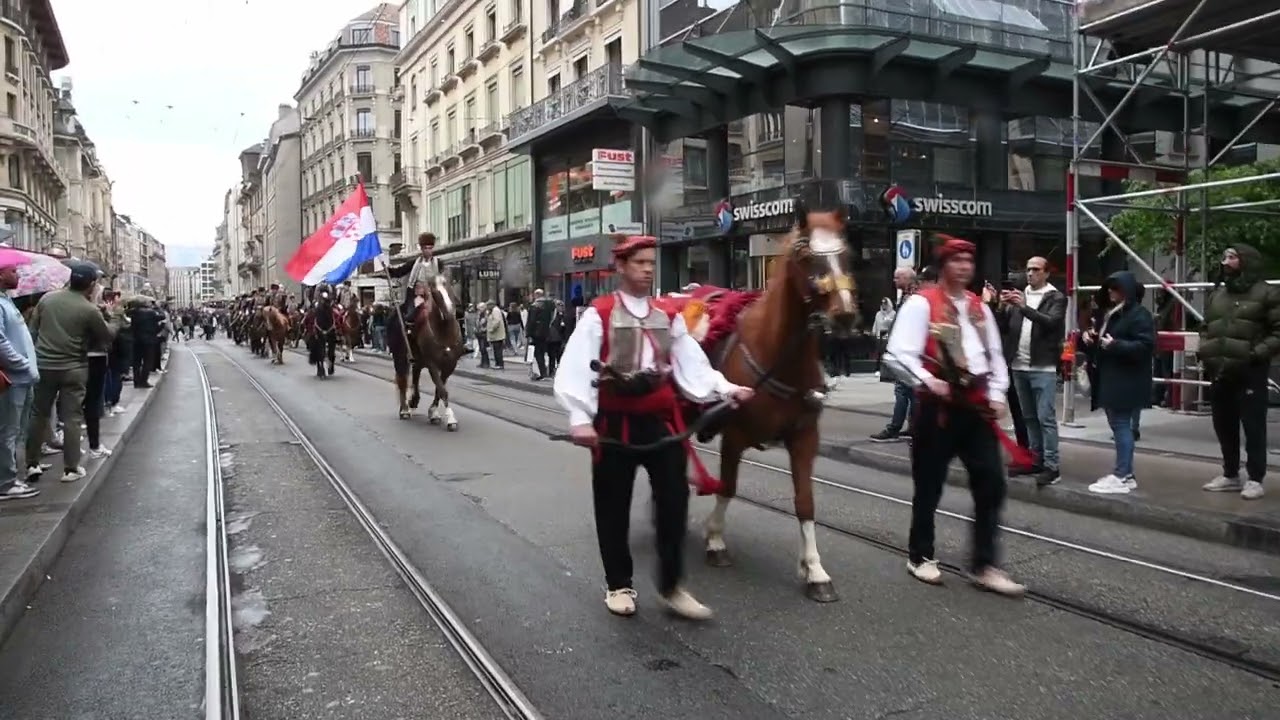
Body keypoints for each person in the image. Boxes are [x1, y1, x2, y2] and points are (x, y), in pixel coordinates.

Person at [553, 234, 755, 620]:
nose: (647, 269)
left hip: (662, 423)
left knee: (674, 501)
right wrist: (580, 418)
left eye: (651, 262)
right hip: (615, 424)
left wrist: (727, 388)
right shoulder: (600, 314)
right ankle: (619, 584)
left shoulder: (667, 315)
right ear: (621, 266)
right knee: (613, 505)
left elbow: (692, 362)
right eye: (639, 262)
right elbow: (576, 366)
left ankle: (672, 586)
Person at [882, 236, 1026, 597]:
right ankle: (920, 555)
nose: (964, 267)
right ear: (943, 266)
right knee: (929, 485)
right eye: (956, 260)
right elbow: (897, 354)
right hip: (937, 409)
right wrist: (928, 381)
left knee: (991, 482)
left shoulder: (979, 307)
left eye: (968, 261)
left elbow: (994, 355)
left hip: (975, 407)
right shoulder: (921, 303)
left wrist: (997, 394)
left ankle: (983, 564)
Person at [1198, 244, 1280, 500]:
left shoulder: (1267, 293)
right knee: (1224, 424)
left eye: (1232, 257)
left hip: (1250, 370)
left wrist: (1254, 354)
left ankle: (1255, 478)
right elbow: (1206, 326)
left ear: (1246, 261)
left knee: (1253, 426)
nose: (1225, 262)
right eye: (1224, 257)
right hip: (1220, 369)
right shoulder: (1218, 295)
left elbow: (1278, 331)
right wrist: (1206, 350)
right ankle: (1230, 474)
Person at [25, 261, 115, 483]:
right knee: (72, 417)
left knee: (38, 414)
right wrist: (113, 317)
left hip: (44, 365)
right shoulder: (89, 309)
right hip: (74, 367)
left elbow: (32, 331)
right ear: (91, 285)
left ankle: (32, 464)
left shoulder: (47, 299)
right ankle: (71, 469)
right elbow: (106, 337)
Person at [1082, 271, 1155, 495]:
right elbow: (1106, 342)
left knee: (1121, 425)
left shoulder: (1138, 315)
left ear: (1127, 291)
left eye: (1116, 288)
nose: (1111, 292)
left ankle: (1122, 474)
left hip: (1126, 379)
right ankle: (1126, 474)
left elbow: (1146, 346)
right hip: (1114, 376)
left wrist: (1115, 345)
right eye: (1109, 288)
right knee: (1118, 424)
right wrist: (1091, 339)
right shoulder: (1111, 313)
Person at [998, 257, 1066, 487]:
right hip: (1019, 365)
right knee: (1028, 417)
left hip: (1042, 366)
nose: (1030, 273)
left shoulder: (1055, 297)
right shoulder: (1021, 295)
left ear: (1046, 273)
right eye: (1027, 269)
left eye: (1035, 270)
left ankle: (1052, 466)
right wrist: (1000, 306)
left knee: (1045, 417)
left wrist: (1023, 307)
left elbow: (1051, 323)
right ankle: (1034, 460)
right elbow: (1005, 328)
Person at [0, 255, 39, 499]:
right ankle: (5, 483)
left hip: (23, 379)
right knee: (8, 430)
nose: (18, 275)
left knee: (18, 430)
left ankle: (14, 476)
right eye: (13, 271)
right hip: (12, 380)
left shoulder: (7, 301)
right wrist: (22, 365)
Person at [385, 232, 443, 334]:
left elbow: (442, 279)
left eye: (430, 248)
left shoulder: (439, 263)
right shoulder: (414, 263)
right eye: (425, 248)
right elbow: (399, 272)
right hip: (418, 295)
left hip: (434, 293)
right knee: (409, 314)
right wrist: (388, 270)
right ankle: (409, 332)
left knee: (452, 312)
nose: (428, 251)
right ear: (421, 249)